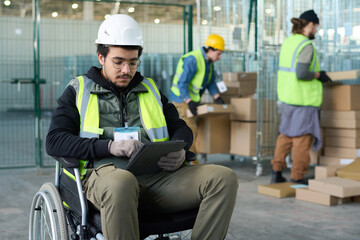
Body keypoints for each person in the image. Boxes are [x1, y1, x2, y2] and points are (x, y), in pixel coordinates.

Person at [46, 14, 238, 240]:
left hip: (157, 177)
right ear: (101, 57)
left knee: (224, 178)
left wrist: (181, 150)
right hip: (105, 175)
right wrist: (109, 147)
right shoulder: (78, 90)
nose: (126, 70)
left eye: (133, 62)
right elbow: (54, 141)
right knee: (122, 182)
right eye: (118, 62)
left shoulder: (151, 89)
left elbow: (180, 127)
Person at [271, 10, 332, 184]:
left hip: (287, 97)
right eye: (316, 27)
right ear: (310, 25)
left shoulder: (289, 42)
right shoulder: (306, 45)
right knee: (302, 139)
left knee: (285, 135)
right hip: (303, 100)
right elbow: (302, 73)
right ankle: (297, 176)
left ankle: (276, 172)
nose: (316, 31)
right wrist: (319, 75)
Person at [170, 34, 226, 163]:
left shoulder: (208, 63)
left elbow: (210, 82)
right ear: (210, 49)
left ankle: (189, 160)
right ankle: (192, 164)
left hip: (192, 100)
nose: (220, 57)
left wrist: (217, 96)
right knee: (190, 130)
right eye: (218, 53)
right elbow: (182, 83)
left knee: (195, 130)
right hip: (181, 100)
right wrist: (189, 101)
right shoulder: (193, 60)